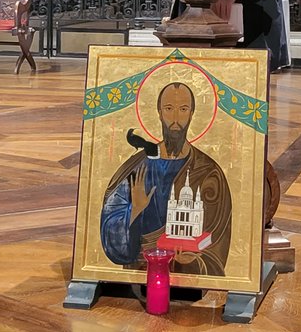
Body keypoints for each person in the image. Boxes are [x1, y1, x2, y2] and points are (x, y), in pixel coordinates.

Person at [99, 82, 232, 275]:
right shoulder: (137, 167)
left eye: (183, 109)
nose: (176, 118)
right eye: (169, 109)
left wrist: (193, 259)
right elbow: (111, 227)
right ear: (159, 112)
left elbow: (216, 240)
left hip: (189, 276)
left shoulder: (209, 172)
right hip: (140, 269)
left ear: (192, 113)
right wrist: (134, 209)